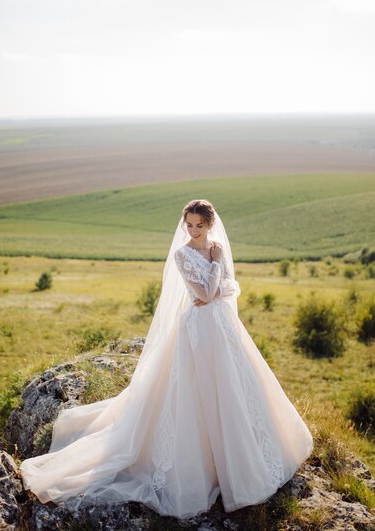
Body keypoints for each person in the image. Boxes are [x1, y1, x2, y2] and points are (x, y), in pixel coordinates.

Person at [20, 199, 313, 519]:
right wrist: (215, 272)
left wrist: (216, 280)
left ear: (210, 225)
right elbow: (203, 295)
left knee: (233, 386)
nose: (193, 230)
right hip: (197, 329)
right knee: (194, 391)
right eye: (189, 224)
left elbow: (230, 288)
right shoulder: (182, 254)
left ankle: (246, 458)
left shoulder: (217, 248)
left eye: (199, 225)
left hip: (224, 326)